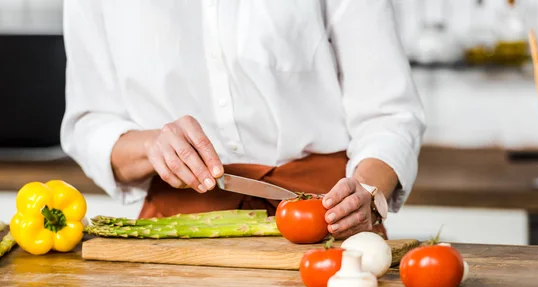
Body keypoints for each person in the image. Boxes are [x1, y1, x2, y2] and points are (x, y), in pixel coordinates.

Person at [60, 0, 425, 239]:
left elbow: (389, 113)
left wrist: (367, 192)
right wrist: (150, 145)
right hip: (178, 235)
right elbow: (89, 122)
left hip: (328, 222)